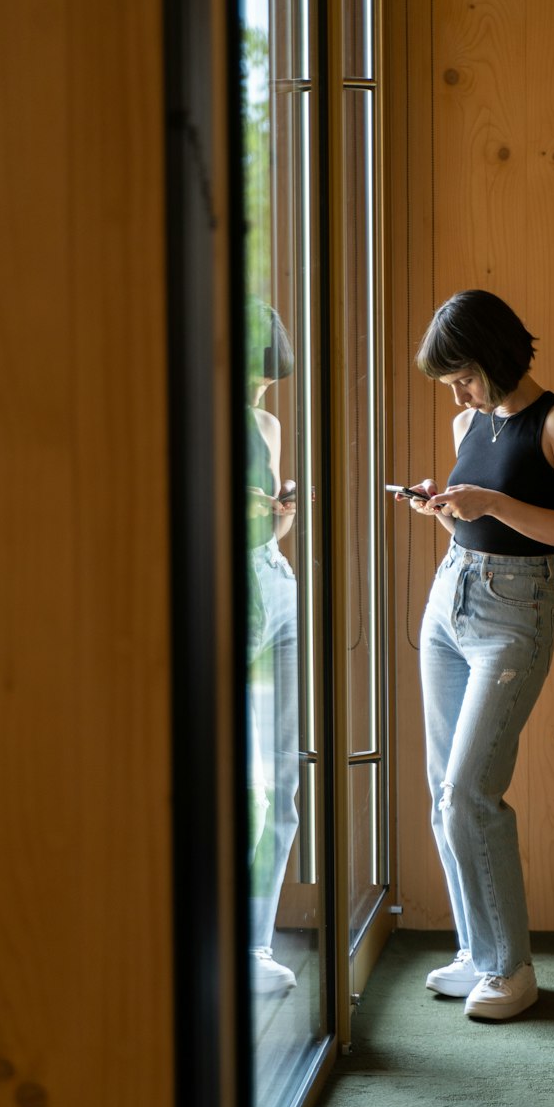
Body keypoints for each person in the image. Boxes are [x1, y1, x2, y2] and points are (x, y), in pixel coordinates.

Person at [406, 289, 554, 1021]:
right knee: (442, 792)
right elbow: (479, 513)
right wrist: (449, 506)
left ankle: (511, 969)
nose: (457, 394)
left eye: (463, 375)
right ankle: (478, 953)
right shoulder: (470, 418)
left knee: (469, 793)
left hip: (514, 613)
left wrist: (490, 505)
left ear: (492, 356)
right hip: (449, 601)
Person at [246, 300, 301, 996]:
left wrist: (278, 518)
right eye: (253, 380)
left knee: (282, 784)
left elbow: (266, 536)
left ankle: (254, 945)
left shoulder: (265, 424)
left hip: (275, 584)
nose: (261, 397)